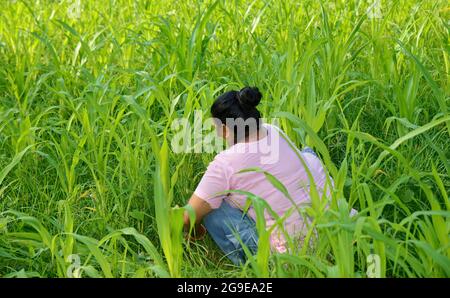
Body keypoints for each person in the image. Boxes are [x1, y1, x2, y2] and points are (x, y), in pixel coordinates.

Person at [183, 86, 332, 265]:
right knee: (306, 153)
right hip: (335, 231)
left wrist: (195, 230)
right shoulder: (273, 130)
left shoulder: (225, 163)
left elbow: (188, 216)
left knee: (214, 210)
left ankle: (254, 265)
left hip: (292, 256)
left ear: (224, 130)